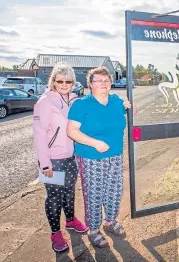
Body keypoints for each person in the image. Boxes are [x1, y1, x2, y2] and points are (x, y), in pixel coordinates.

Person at [67, 66, 131, 248]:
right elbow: (71, 131)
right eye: (98, 81)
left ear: (111, 83)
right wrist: (95, 143)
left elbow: (119, 119)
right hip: (90, 158)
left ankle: (110, 221)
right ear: (90, 84)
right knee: (94, 194)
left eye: (106, 80)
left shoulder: (116, 101)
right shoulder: (81, 104)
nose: (103, 84)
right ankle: (93, 230)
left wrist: (127, 107)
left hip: (115, 156)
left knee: (114, 191)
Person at [33, 63, 88, 252]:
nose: (64, 84)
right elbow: (39, 134)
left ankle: (71, 221)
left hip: (71, 157)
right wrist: (44, 164)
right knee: (54, 197)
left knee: (69, 192)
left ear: (73, 83)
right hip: (52, 160)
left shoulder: (73, 99)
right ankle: (55, 233)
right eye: (60, 81)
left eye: (68, 81)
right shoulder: (45, 102)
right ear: (53, 81)